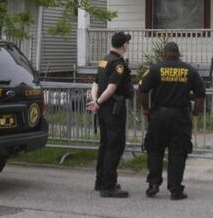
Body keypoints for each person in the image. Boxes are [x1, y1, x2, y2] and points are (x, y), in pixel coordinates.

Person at [138, 42, 206, 200]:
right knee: (178, 153)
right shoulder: (189, 70)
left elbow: (142, 91)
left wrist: (146, 109)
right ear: (178, 54)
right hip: (180, 118)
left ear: (164, 53)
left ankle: (153, 184)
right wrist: (194, 113)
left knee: (155, 150)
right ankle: (176, 190)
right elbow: (200, 95)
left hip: (158, 117)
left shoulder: (155, 69)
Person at [87, 31, 133, 198]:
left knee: (105, 144)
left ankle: (100, 182)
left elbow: (95, 84)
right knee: (115, 146)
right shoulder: (118, 64)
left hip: (103, 108)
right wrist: (98, 103)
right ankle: (108, 186)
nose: (128, 45)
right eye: (127, 43)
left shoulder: (104, 60)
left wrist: (96, 101)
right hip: (114, 108)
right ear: (123, 45)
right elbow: (112, 88)